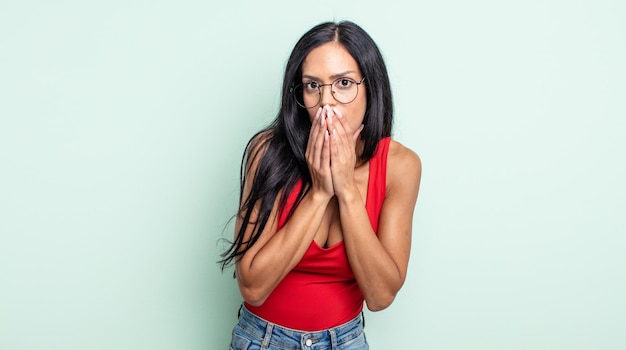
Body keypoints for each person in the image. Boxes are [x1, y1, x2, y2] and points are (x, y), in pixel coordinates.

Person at [220, 20, 422, 350]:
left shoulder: (401, 167)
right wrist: (319, 191)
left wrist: (345, 190)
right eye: (312, 86)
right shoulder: (268, 152)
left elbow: (381, 295)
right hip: (262, 339)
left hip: (345, 341)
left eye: (343, 83)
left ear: (371, 87)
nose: (326, 103)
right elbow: (253, 287)